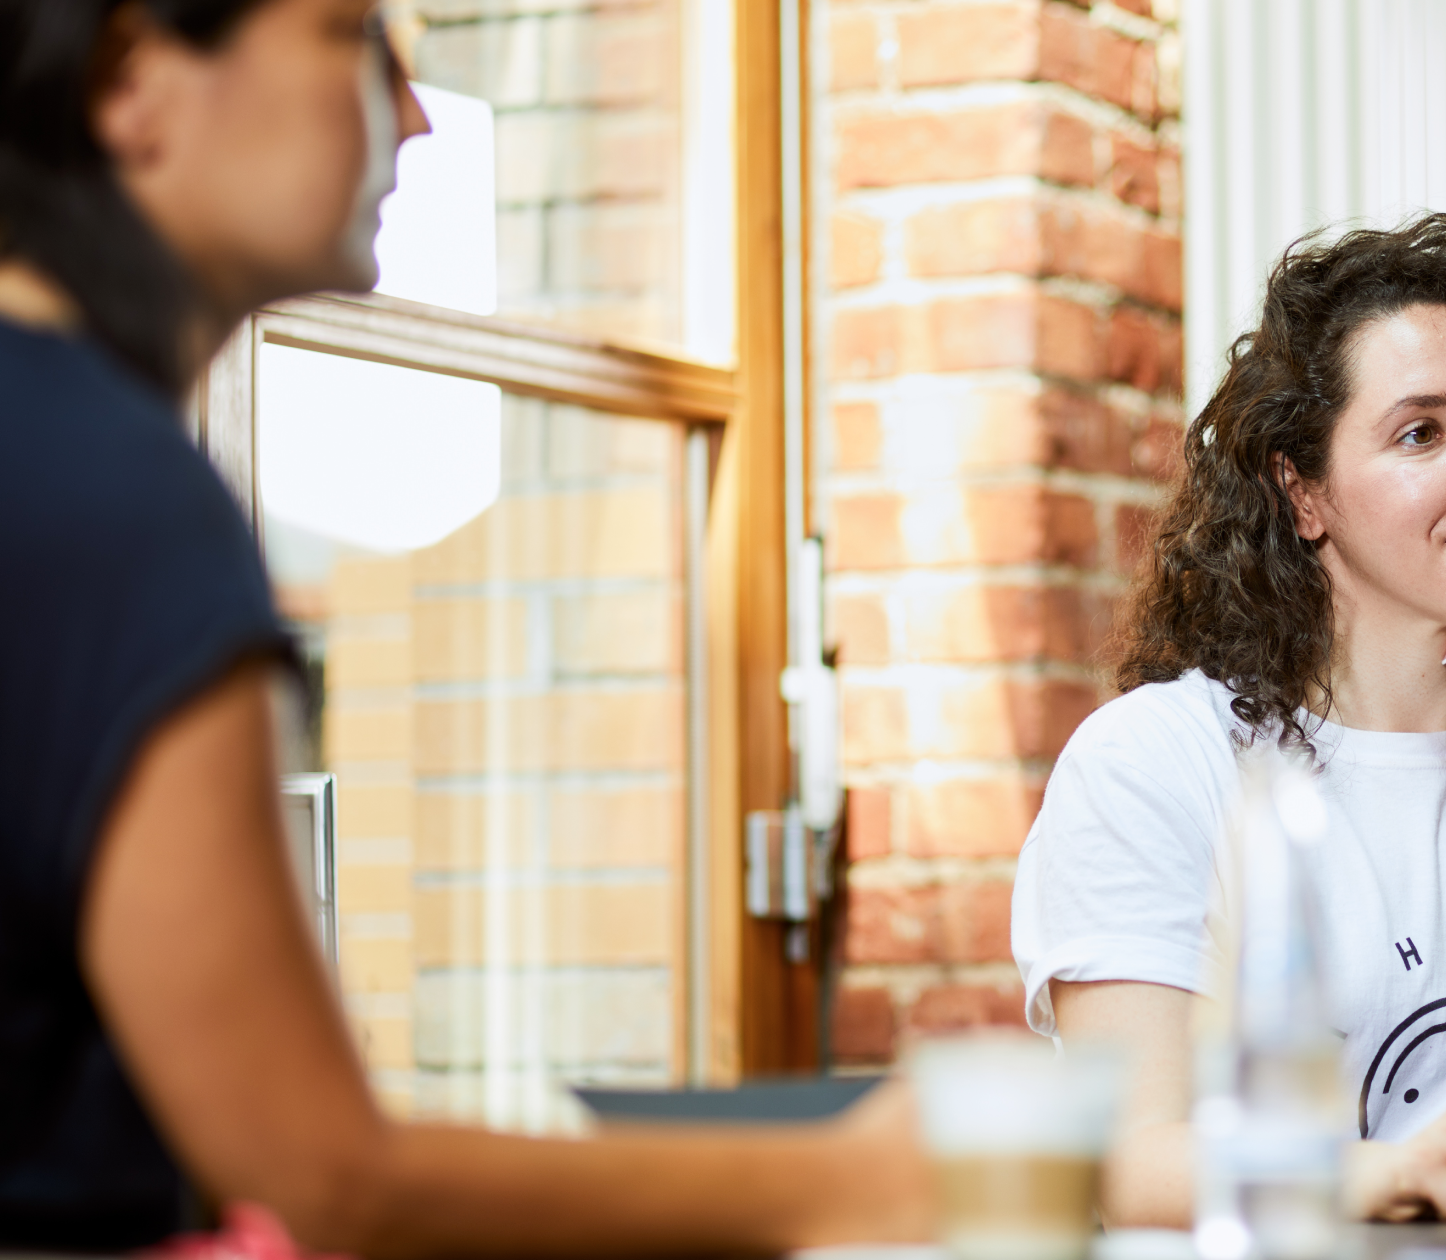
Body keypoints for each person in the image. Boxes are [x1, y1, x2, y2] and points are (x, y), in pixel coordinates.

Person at [0, 0, 930, 1252]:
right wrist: (850, 1182)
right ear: (131, 80)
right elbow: (319, 1174)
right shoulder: (120, 506)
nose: (421, 114)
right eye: (354, 41)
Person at [1011, 215, 1446, 1227]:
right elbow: (1125, 1160)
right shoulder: (1153, 762)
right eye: (1421, 432)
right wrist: (1387, 1176)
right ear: (1302, 493)